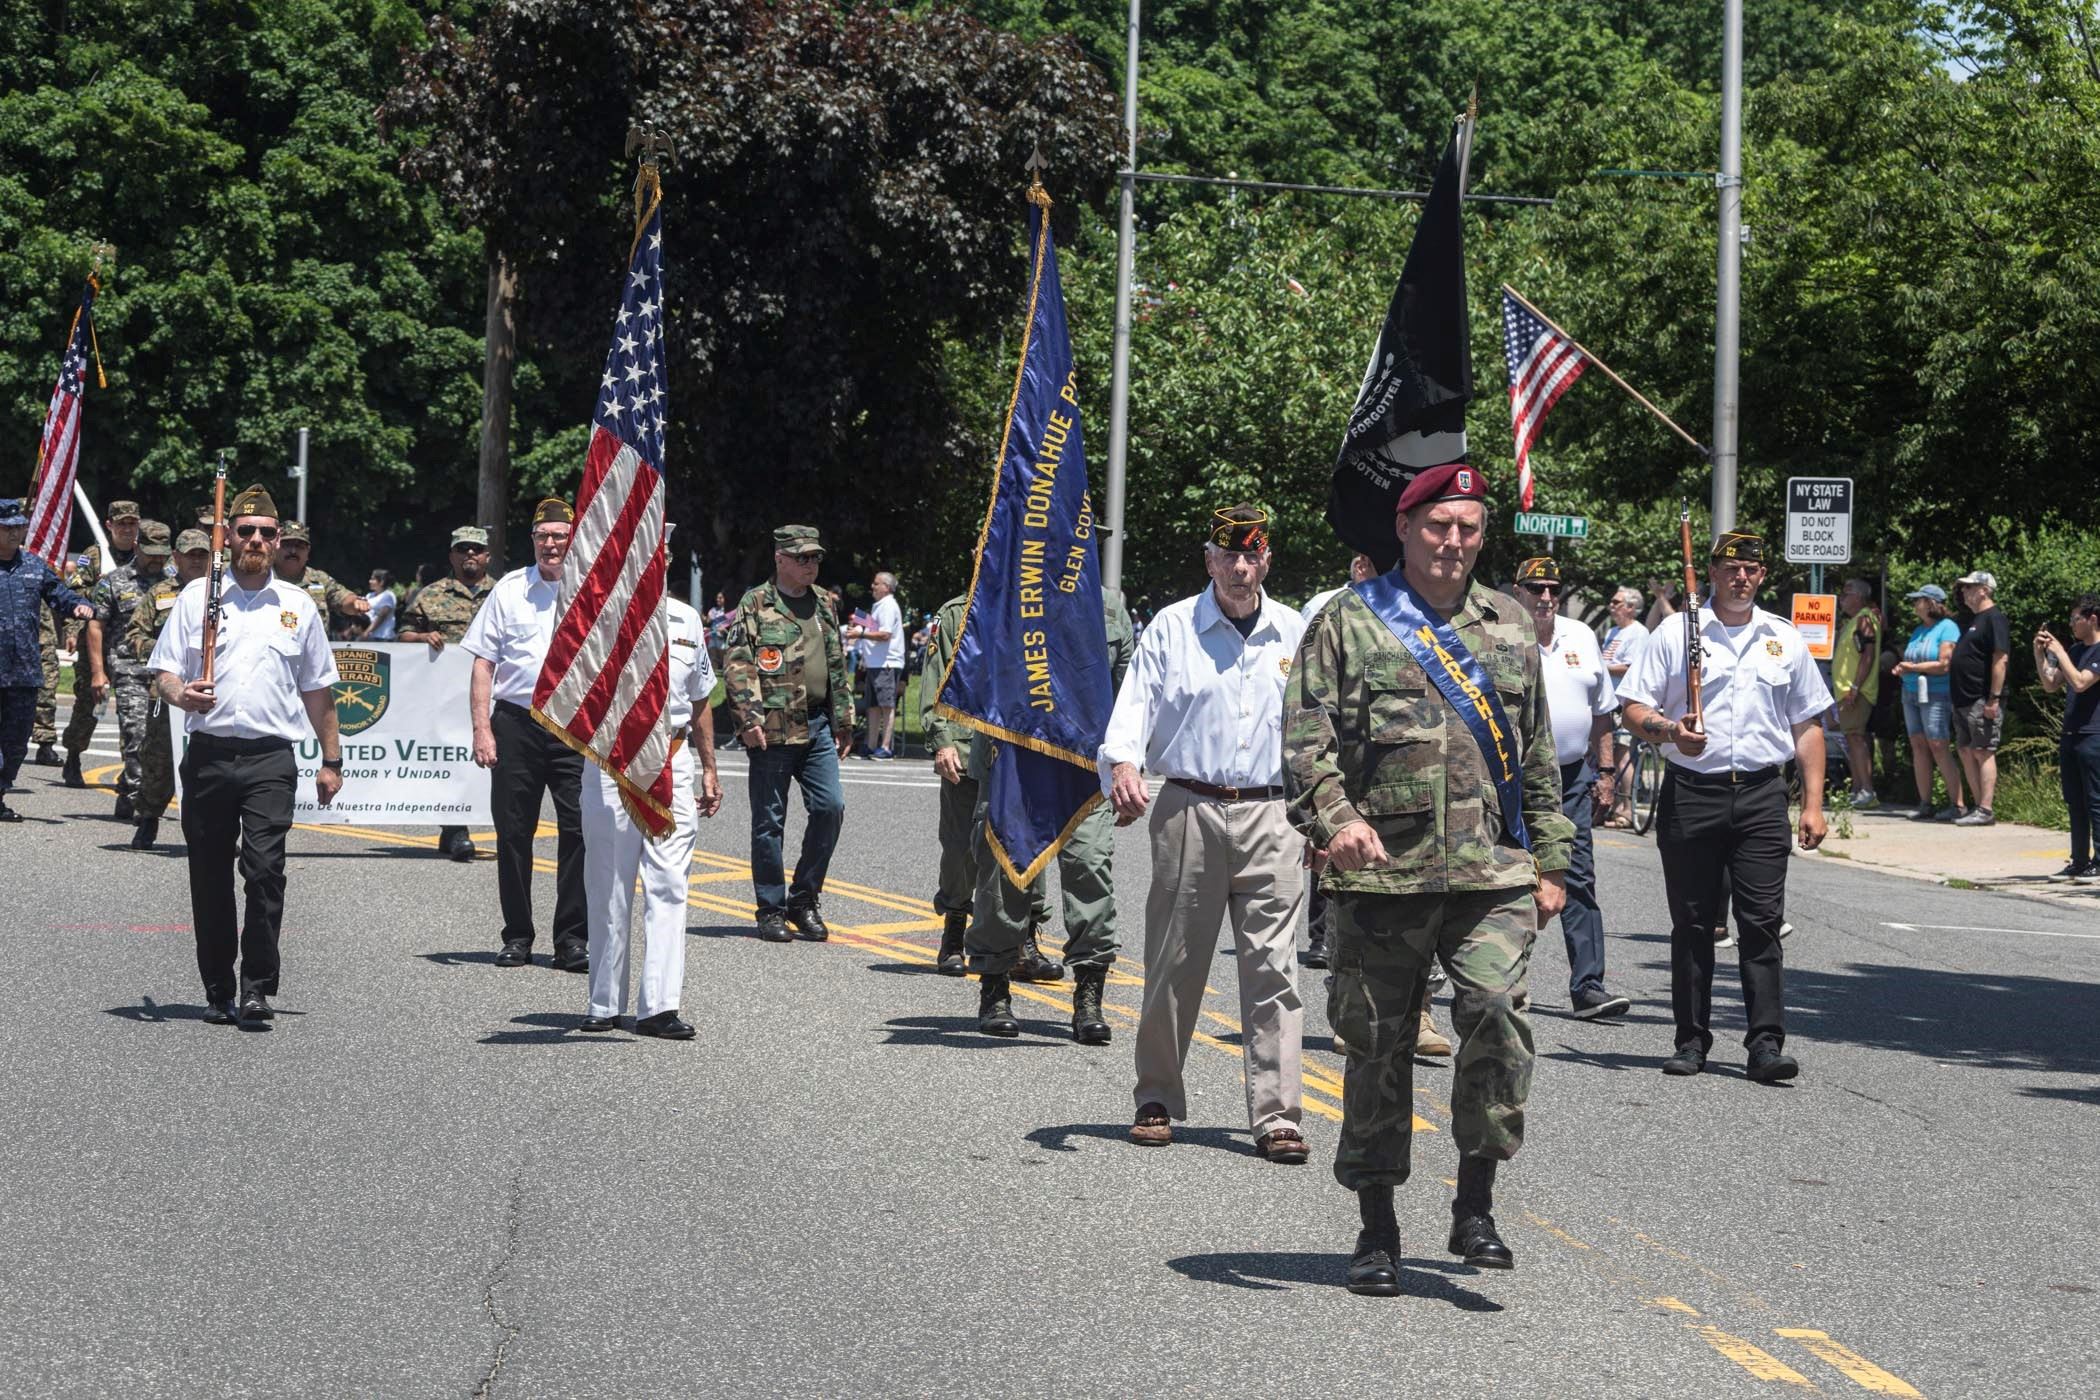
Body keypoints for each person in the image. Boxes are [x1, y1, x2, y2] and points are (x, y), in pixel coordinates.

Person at [1284, 466, 1572, 1296]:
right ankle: (1377, 1226)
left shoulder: (1512, 626)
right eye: (1440, 524)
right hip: (1381, 877)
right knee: (1379, 1047)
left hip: (1493, 874)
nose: (1454, 542)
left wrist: (1553, 862)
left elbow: (1540, 753)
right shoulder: (1348, 621)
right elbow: (1307, 744)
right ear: (1406, 527)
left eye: (1470, 528)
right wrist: (1337, 820)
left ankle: (1475, 1201)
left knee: (1495, 1018)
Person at [1104, 504, 1310, 1165]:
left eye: (1252, 555)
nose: (1241, 567)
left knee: (1274, 970)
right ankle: (1156, 1096)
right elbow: (1133, 704)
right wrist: (1126, 763)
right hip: (1189, 807)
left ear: (1267, 560)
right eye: (1229, 555)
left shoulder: (1294, 631)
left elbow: (1316, 727)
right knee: (1174, 963)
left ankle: (1277, 1114)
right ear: (1209, 560)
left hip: (1275, 814)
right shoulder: (1173, 628)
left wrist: (1324, 811)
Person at [1620, 528, 1831, 1085]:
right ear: (1711, 573)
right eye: (1731, 568)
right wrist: (1669, 730)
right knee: (1692, 924)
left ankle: (1765, 1045)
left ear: (1762, 577)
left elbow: (1807, 725)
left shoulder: (1783, 639)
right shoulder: (1675, 633)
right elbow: (1633, 709)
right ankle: (1691, 1042)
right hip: (1693, 792)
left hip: (1762, 795)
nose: (1742, 577)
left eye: (1752, 570)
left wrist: (1813, 804)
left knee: (1761, 923)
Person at [147, 485, 344, 1024]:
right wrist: (179, 694)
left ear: (279, 541)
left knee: (264, 870)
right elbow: (163, 671)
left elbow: (318, 691)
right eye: (245, 530)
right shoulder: (197, 598)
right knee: (209, 875)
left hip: (269, 760)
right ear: (227, 536)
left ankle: (256, 985)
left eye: (266, 532)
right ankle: (217, 988)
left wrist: (332, 760)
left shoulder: (298, 606)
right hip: (209, 755)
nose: (256, 539)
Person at [967, 584, 1136, 1043]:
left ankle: (1088, 996)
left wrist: (1126, 764)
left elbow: (1128, 693)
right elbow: (975, 673)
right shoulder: (1007, 589)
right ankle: (996, 987)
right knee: (1004, 873)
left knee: (1089, 868)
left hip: (1083, 766)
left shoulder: (1107, 606)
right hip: (1017, 758)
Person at [579, 532, 725, 1039]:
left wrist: (708, 767)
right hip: (611, 759)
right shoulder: (596, 615)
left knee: (669, 883)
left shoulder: (686, 618)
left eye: (660, 553)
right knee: (609, 883)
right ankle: (603, 1002)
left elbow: (701, 698)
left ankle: (659, 1006)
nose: (652, 561)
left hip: (672, 755)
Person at [462, 500, 588, 972]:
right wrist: (482, 729)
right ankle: (517, 935)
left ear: (574, 538)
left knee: (579, 832)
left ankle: (572, 939)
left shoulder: (593, 590)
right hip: (517, 723)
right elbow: (483, 663)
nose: (551, 544)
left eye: (559, 535)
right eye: (543, 537)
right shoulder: (510, 590)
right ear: (533, 541)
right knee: (514, 833)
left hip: (576, 728)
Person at [723, 525, 854, 942]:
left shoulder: (824, 603)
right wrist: (748, 719)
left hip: (816, 725)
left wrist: (844, 719)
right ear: (779, 558)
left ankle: (804, 899)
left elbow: (836, 664)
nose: (810, 564)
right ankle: (771, 909)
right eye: (802, 557)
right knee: (769, 823)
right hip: (772, 728)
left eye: (815, 557)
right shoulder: (756, 603)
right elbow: (739, 663)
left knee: (830, 808)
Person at [1516, 556, 1631, 1020]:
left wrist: (1605, 773)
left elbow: (1602, 710)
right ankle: (1505, 981)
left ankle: (1589, 987)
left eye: (1553, 590)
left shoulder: (1581, 636)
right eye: (1537, 588)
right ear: (1518, 590)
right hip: (1514, 780)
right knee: (1511, 879)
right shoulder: (1501, 635)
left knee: (1578, 877)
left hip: (1570, 777)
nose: (1546, 597)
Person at [919, 590, 1053, 976]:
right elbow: (935, 680)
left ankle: (1023, 939)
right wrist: (942, 740)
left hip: (1020, 749)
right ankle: (954, 933)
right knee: (961, 846)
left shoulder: (1035, 607)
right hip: (964, 745)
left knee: (1027, 848)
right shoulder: (956, 614)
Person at [399, 524, 496, 861]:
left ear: (487, 555)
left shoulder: (505, 593)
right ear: (452, 555)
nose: (470, 554)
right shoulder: (431, 594)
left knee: (492, 761)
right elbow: (403, 636)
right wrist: (422, 638)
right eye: (463, 548)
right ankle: (456, 830)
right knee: (453, 759)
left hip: (494, 693)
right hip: (444, 696)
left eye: (476, 549)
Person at [0, 499, 95, 821]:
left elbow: (59, 593)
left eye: (19, 527)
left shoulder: (32, 565)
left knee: (15, 745)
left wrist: (77, 606)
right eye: (8, 528)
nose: (15, 534)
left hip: (24, 672)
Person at [126, 528, 213, 847]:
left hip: (212, 692)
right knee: (159, 760)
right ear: (175, 557)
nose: (196, 560)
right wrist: (167, 652)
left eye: (202, 555)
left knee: (216, 765)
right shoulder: (160, 593)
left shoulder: (223, 592)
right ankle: (148, 817)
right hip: (167, 692)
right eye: (190, 555)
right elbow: (134, 634)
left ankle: (220, 830)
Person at [84, 520, 173, 821]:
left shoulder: (177, 583)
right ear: (137, 546)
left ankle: (127, 787)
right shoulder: (113, 581)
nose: (157, 559)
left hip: (166, 675)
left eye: (162, 553)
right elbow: (96, 626)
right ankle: (139, 802)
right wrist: (99, 672)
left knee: (160, 744)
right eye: (151, 553)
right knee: (136, 735)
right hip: (129, 670)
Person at [58, 501, 141, 788]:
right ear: (109, 525)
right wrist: (72, 629)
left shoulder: (144, 555)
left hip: (130, 646)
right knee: (90, 704)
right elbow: (76, 595)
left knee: (132, 710)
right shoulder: (94, 557)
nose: (127, 529)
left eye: (132, 523)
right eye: (121, 524)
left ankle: (128, 771)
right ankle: (74, 755)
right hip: (96, 642)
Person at [2037, 596, 2100, 881]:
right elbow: (2051, 684)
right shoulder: (2075, 650)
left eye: (2076, 619)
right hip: (2071, 732)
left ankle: (2099, 860)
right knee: (2074, 800)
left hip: (2094, 734)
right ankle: (2079, 860)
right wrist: (2040, 654)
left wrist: (2059, 651)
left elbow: (2081, 682)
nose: (2072, 624)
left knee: (2095, 800)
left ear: (2093, 619)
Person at [1892, 585, 1966, 819]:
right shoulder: (1918, 630)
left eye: (1919, 600)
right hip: (1911, 692)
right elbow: (1911, 659)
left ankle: (1958, 804)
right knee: (1918, 744)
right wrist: (1902, 669)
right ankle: (1925, 803)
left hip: (1936, 693)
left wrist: (1911, 667)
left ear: (1932, 603)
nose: (1915, 605)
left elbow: (1945, 664)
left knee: (1938, 745)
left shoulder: (1947, 628)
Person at [1949, 570, 2010, 826]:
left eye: (1969, 587)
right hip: (1962, 699)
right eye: (1963, 588)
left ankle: (1986, 809)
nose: (1964, 592)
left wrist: (1993, 699)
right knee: (1965, 750)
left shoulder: (1994, 618)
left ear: (1984, 589)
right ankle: (1977, 807)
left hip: (1981, 699)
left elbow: (2001, 658)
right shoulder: (1974, 620)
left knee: (1983, 750)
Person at [1595, 586, 1650, 828]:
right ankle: (1614, 805)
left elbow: (1632, 666)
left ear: (1630, 607)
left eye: (1616, 602)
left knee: (1623, 752)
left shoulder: (1638, 633)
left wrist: (1601, 666)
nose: (1611, 605)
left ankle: (1628, 810)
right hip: (1609, 699)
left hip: (1625, 701)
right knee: (1609, 752)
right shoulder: (1614, 631)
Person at [273, 520, 371, 640]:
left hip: (313, 653)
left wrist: (355, 603)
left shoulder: (319, 579)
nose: (293, 551)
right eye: (287, 545)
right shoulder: (261, 578)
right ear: (275, 547)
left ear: (308, 552)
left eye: (300, 546)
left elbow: (343, 598)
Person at [1830, 579, 1881, 807]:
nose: (1842, 598)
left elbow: (1867, 656)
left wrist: (1855, 687)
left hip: (1856, 691)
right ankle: (1859, 788)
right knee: (1851, 739)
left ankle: (1867, 790)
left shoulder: (1863, 619)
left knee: (1857, 739)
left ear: (1860, 597)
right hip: (1846, 691)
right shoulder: (1853, 621)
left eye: (1847, 593)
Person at [848, 570, 905, 760]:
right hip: (875, 663)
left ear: (886, 587)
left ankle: (886, 747)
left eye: (876, 583)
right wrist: (859, 623)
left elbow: (885, 634)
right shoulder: (879, 605)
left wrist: (860, 634)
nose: (872, 586)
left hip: (886, 663)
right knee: (873, 705)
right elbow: (874, 628)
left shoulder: (888, 605)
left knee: (886, 706)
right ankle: (870, 745)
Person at [363, 570, 397, 640]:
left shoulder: (388, 596)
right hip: (370, 637)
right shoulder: (369, 596)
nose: (370, 581)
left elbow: (381, 616)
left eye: (373, 579)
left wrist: (367, 632)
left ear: (382, 582)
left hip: (383, 637)